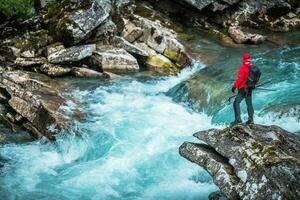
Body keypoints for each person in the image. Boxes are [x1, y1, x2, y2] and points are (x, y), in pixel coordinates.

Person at [231, 53, 254, 125]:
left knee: (236, 102)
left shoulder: (243, 67)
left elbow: (240, 79)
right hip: (250, 87)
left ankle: (238, 120)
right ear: (249, 58)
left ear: (243, 59)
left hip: (243, 88)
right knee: (249, 104)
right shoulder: (253, 66)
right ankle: (251, 120)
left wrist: (234, 86)